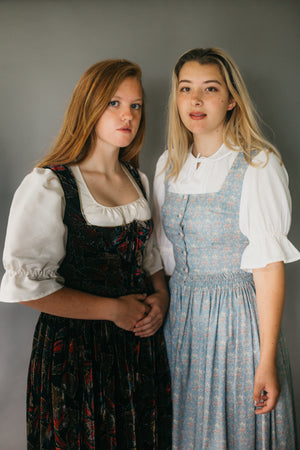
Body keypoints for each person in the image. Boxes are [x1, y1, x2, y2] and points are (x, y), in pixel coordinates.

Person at [0, 59, 172, 449]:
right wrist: (113, 309)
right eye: (114, 103)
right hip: (76, 354)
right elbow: (27, 289)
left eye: (136, 105)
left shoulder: (138, 179)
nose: (127, 115)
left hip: (137, 348)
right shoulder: (50, 183)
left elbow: (150, 261)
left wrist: (160, 296)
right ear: (89, 105)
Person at [153, 47, 299, 449]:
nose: (195, 100)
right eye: (186, 89)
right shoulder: (168, 165)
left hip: (236, 322)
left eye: (210, 89)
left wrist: (266, 358)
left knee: (233, 429)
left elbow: (269, 267)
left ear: (231, 99)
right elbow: (164, 255)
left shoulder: (258, 164)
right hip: (181, 321)